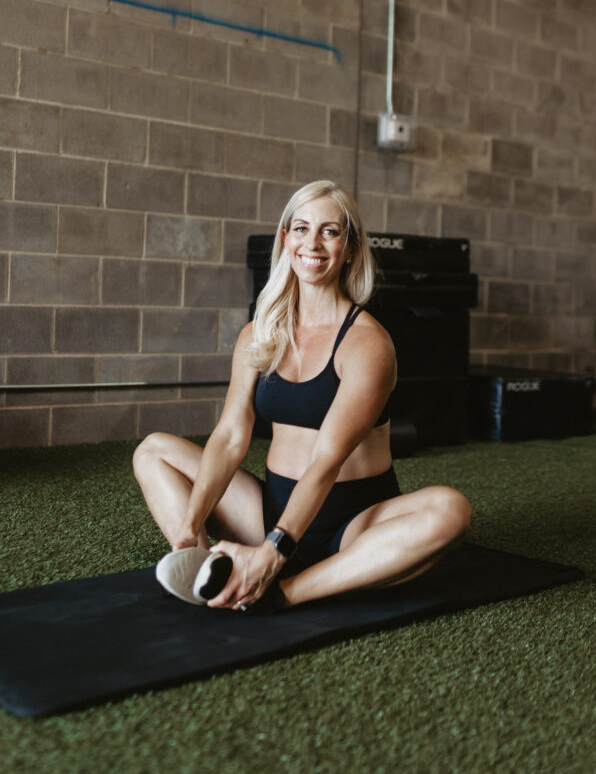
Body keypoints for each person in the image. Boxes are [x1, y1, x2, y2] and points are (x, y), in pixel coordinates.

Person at [133, 180, 471, 613]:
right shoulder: (258, 334)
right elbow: (231, 436)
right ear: (285, 238)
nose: (312, 243)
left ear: (350, 248)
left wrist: (275, 549)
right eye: (301, 228)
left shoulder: (367, 343)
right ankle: (204, 569)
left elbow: (327, 459)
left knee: (450, 510)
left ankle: (282, 592)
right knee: (153, 451)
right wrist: (190, 525)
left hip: (352, 526)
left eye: (330, 231)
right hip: (270, 510)